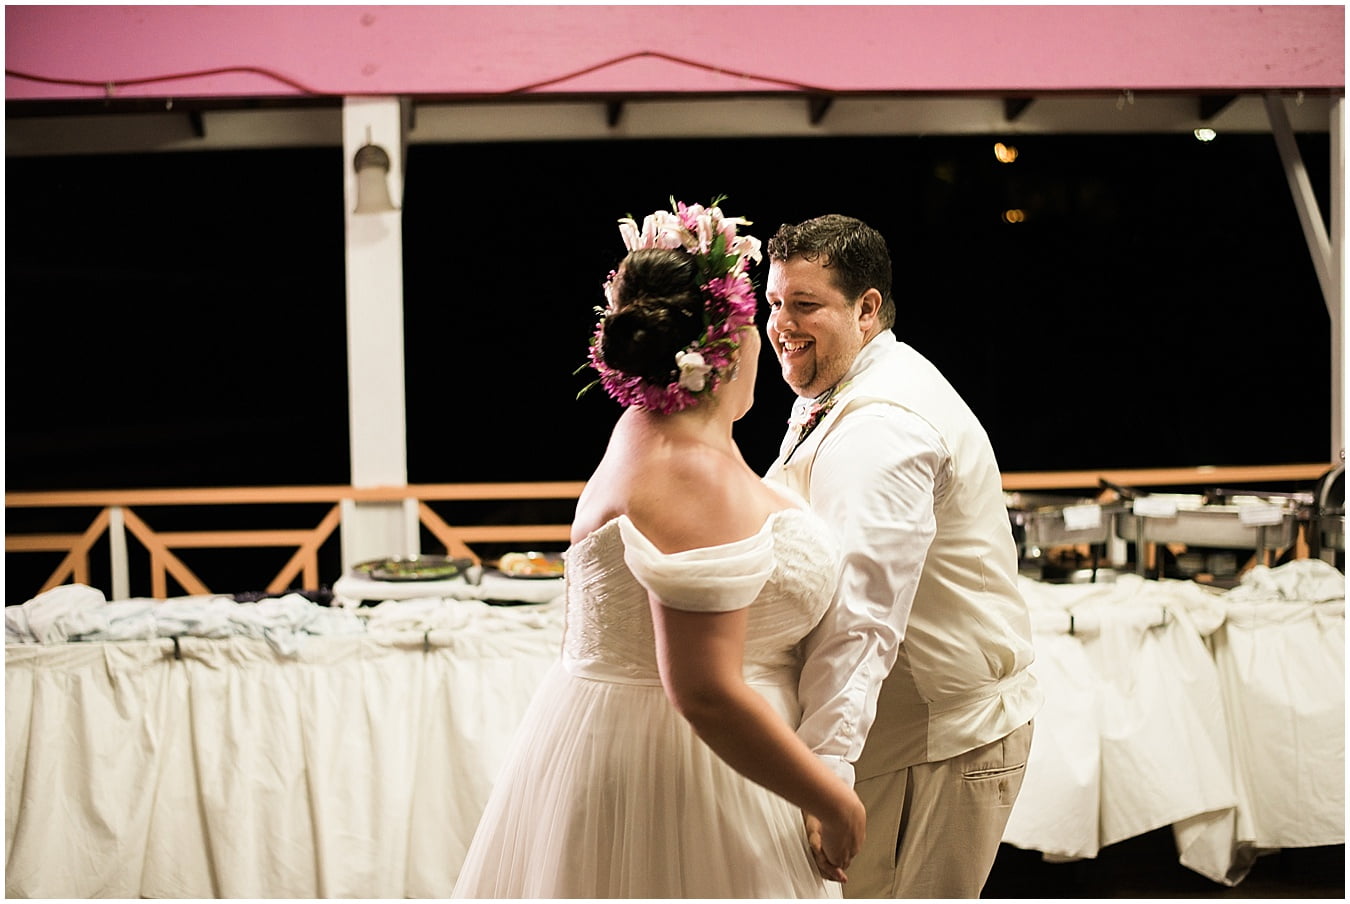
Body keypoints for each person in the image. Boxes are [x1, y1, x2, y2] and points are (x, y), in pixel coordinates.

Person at [452, 200, 866, 899]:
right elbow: (704, 691)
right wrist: (834, 801)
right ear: (728, 345)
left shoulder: (638, 432)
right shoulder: (692, 473)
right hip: (689, 775)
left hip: (609, 740)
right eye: (758, 318)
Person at [761, 214, 1043, 898]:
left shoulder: (882, 426)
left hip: (930, 743)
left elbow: (861, 616)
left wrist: (824, 774)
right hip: (902, 738)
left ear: (867, 309)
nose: (781, 325)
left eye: (805, 305)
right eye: (774, 302)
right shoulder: (848, 386)